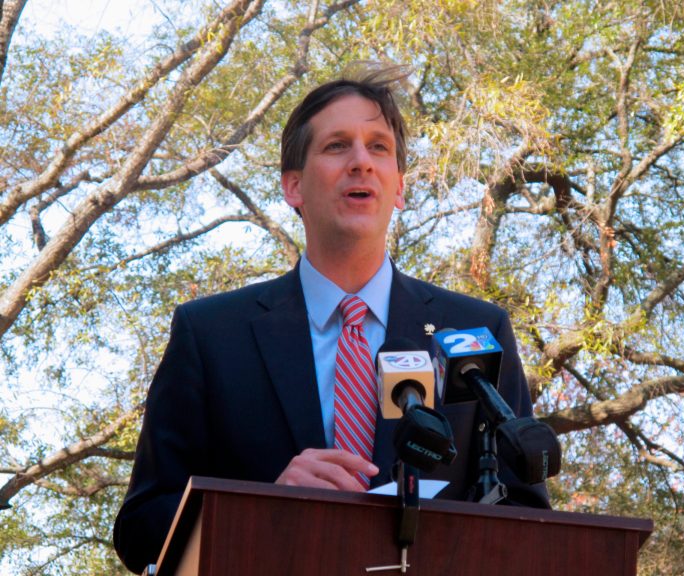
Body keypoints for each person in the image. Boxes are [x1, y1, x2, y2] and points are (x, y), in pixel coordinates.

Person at [113, 64, 549, 574]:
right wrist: (263, 508)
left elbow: (528, 517)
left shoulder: (475, 331)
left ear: (399, 187)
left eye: (378, 147)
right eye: (337, 146)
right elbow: (142, 527)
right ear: (294, 186)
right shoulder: (210, 334)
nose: (361, 162)